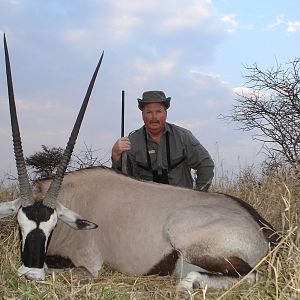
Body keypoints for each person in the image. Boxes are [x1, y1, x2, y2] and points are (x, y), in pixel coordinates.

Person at [111, 90, 214, 191]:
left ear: (166, 113)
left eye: (159, 112)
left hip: (181, 203)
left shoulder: (183, 136)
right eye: (149, 112)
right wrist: (115, 156)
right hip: (147, 203)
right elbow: (123, 180)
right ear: (142, 115)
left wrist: (199, 195)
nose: (154, 117)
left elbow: (206, 164)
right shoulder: (131, 142)